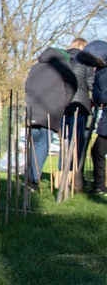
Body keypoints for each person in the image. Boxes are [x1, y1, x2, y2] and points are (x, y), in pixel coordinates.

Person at [24, 47, 78, 189]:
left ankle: (29, 177)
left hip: (32, 109)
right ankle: (33, 180)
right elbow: (73, 86)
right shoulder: (64, 67)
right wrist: (63, 104)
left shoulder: (35, 67)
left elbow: (27, 86)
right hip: (51, 110)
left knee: (34, 143)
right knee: (43, 143)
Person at [63, 37, 95, 190]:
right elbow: (91, 84)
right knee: (78, 141)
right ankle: (77, 176)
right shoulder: (85, 62)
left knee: (65, 140)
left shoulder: (62, 61)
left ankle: (65, 175)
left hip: (63, 105)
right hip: (80, 105)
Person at [77, 40, 107, 196]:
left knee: (98, 151)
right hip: (105, 116)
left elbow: (102, 94)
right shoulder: (100, 71)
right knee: (97, 151)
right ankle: (99, 186)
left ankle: (100, 186)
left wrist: (99, 98)